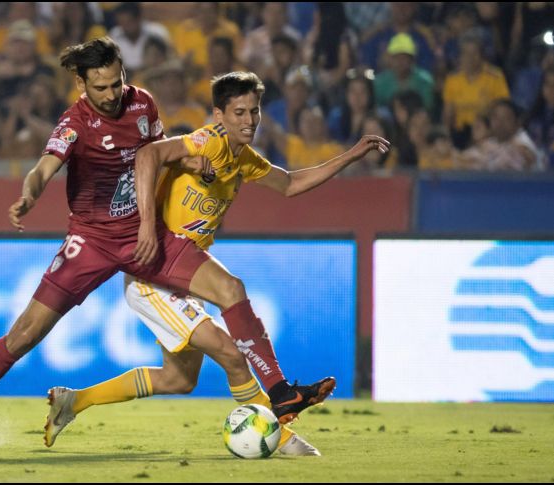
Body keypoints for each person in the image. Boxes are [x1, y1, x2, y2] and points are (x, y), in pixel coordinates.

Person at [0, 38, 344, 452]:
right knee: (22, 336)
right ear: (81, 83)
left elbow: (158, 154)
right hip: (90, 242)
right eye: (101, 87)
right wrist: (30, 194)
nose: (112, 94)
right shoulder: (74, 124)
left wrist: (190, 167)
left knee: (230, 292)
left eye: (117, 83)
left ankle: (282, 396)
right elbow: (44, 166)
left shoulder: (143, 103)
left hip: (145, 241)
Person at [43, 71, 390, 455]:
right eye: (239, 112)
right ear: (219, 114)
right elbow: (150, 153)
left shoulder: (243, 158)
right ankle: (282, 417)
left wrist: (352, 155)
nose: (249, 121)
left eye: (254, 112)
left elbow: (289, 183)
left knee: (178, 380)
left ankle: (75, 401)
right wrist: (144, 223)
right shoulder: (208, 141)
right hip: (153, 271)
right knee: (231, 339)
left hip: (184, 272)